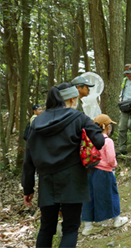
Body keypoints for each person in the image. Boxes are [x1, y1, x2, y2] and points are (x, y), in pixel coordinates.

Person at [21, 83, 105, 248]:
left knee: (46, 228)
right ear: (73, 99)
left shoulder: (36, 122)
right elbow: (100, 142)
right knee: (70, 228)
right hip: (73, 180)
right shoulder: (78, 118)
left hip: (46, 182)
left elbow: (28, 158)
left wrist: (28, 188)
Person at [81, 114, 128, 236]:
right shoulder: (107, 141)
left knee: (89, 197)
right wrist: (114, 165)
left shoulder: (89, 139)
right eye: (110, 125)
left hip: (89, 171)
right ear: (107, 127)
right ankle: (117, 220)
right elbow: (111, 158)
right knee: (111, 194)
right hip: (104, 171)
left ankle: (87, 226)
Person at [117, 64, 131, 155]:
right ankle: (122, 148)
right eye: (126, 73)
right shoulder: (124, 80)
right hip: (125, 106)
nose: (128, 75)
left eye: (129, 73)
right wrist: (120, 99)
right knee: (122, 127)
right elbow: (122, 92)